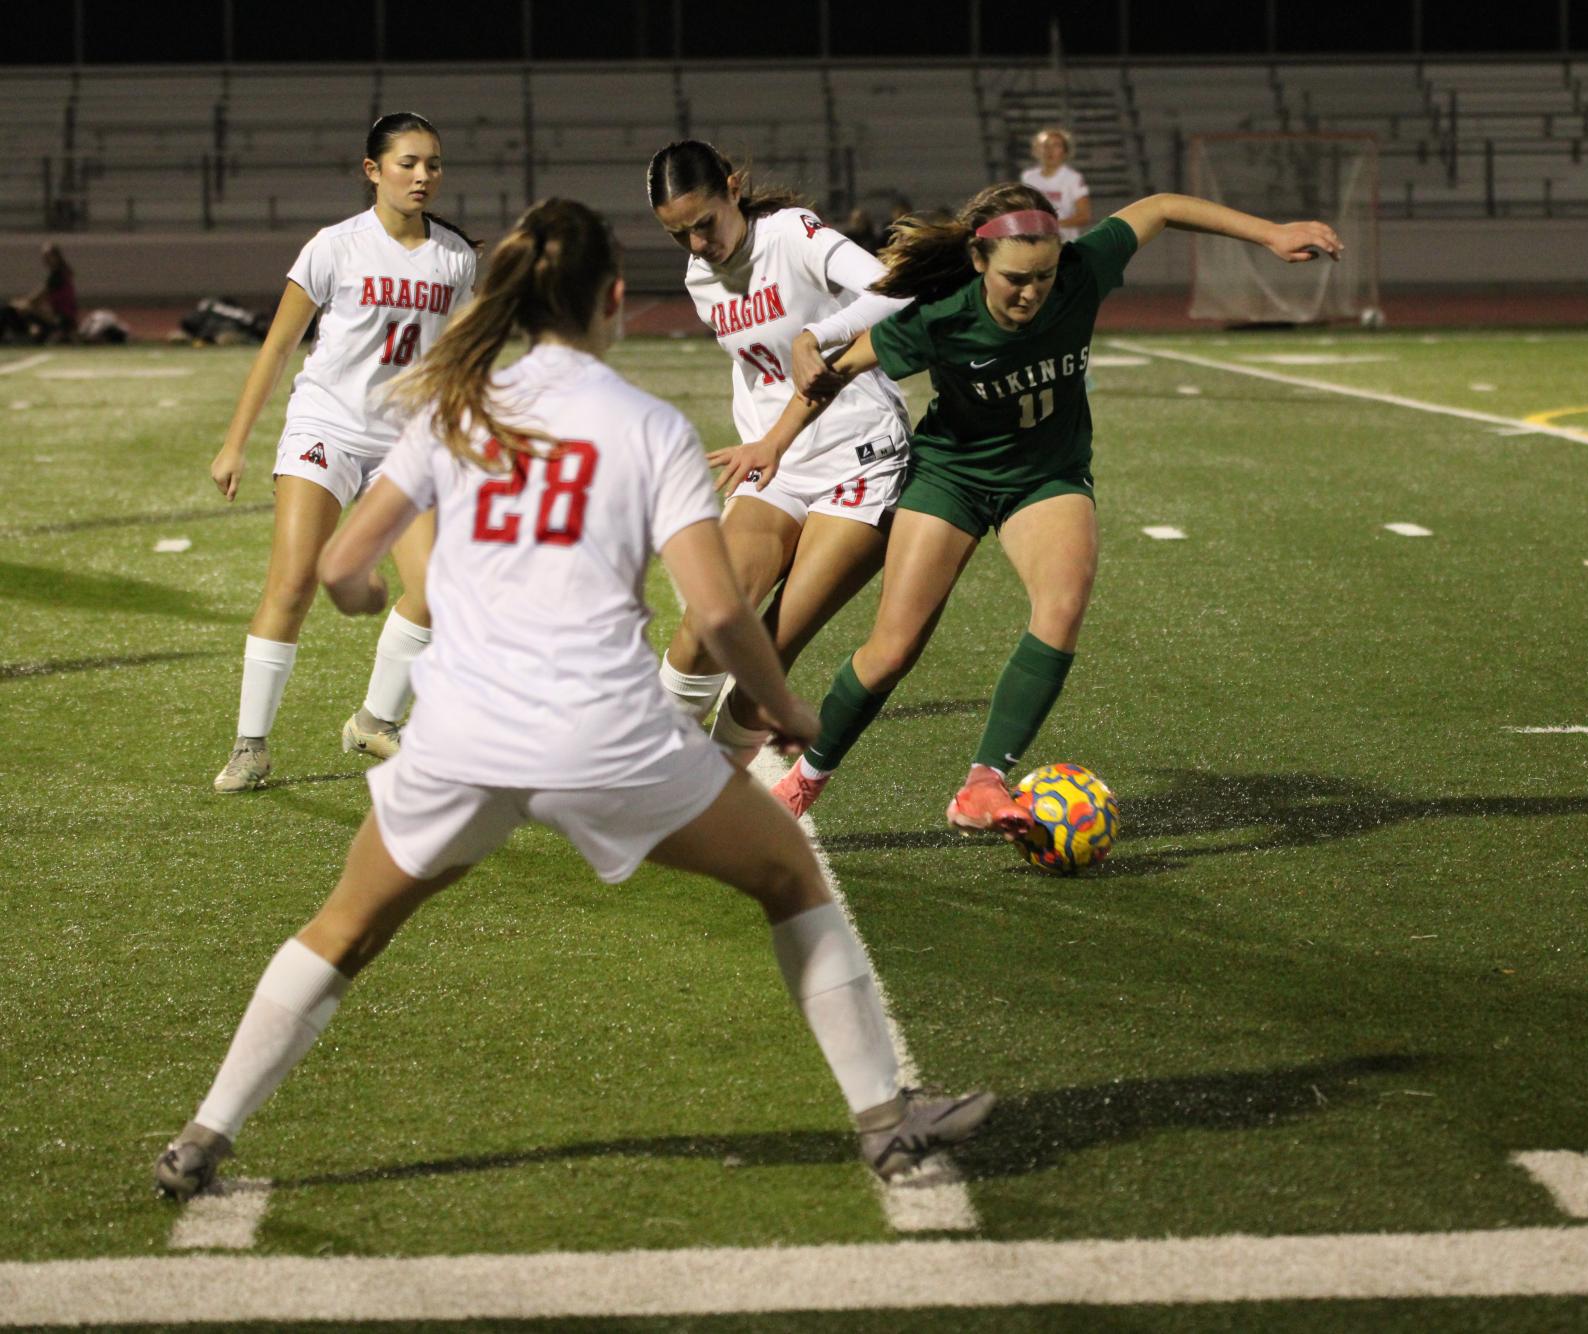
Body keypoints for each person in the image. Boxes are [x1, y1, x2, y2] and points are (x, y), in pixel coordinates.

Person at [152, 198, 992, 1203]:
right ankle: (886, 1124)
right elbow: (721, 614)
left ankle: (203, 1133)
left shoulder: (454, 405)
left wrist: (363, 592)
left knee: (345, 927)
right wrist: (784, 708)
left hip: (462, 732)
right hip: (606, 736)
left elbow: (340, 564)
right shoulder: (647, 426)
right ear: (614, 300)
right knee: (788, 872)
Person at [753, 184, 1339, 832]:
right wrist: (773, 444)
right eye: (1013, 279)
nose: (1029, 293)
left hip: (1046, 476)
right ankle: (805, 780)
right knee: (891, 651)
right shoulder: (941, 317)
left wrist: (1271, 233)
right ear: (978, 263)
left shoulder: (1084, 270)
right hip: (952, 476)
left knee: (1061, 606)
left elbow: (1165, 207)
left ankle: (982, 783)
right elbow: (830, 375)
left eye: (1042, 275)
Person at [207, 112, 480, 793]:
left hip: (405, 442)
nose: (423, 176)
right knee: (294, 581)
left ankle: (374, 720)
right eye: (409, 163)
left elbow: (463, 359)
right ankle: (251, 745)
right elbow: (276, 349)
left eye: (434, 165)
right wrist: (234, 443)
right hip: (326, 427)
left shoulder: (455, 257)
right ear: (372, 170)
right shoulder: (334, 247)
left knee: (436, 588)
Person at [645, 141, 913, 762]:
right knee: (712, 623)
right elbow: (759, 371)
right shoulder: (698, 276)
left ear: (732, 189)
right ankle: (647, 769)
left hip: (861, 461)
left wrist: (823, 331)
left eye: (704, 223)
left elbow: (897, 290)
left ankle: (716, 797)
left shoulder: (791, 234)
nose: (696, 244)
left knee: (765, 657)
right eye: (678, 233)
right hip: (775, 461)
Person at [1020, 128, 1090, 242]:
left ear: (1065, 151)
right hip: (1036, 242)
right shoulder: (1028, 177)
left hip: (1064, 241)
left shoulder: (1073, 178)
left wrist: (1052, 224)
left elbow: (1084, 216)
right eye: (1045, 145)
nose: (1049, 150)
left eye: (1056, 146)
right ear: (1036, 150)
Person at [11, 242, 78, 343]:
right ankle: (38, 333)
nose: (45, 260)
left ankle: (21, 337)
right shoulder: (62, 273)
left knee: (18, 309)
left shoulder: (57, 277)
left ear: (56, 257)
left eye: (47, 256)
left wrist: (17, 304)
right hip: (61, 318)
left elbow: (34, 299)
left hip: (62, 320)